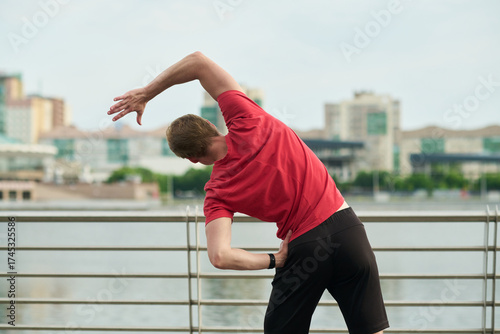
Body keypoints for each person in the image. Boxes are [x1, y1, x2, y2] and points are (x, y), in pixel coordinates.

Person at [108, 51, 389, 334]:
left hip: (304, 247)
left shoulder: (217, 193)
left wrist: (273, 259)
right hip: (348, 229)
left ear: (191, 159)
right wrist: (146, 93)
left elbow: (220, 256)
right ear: (212, 127)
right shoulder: (248, 117)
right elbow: (198, 62)